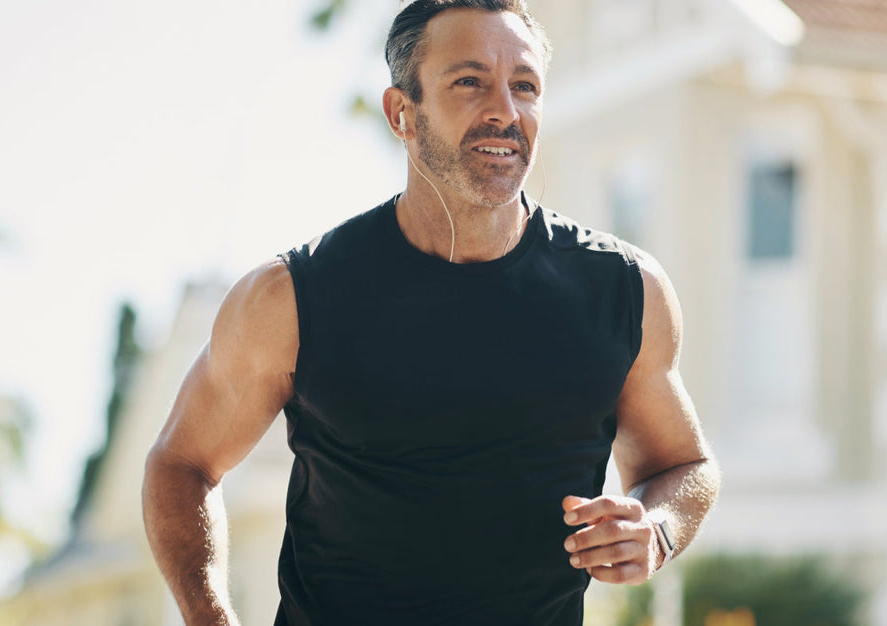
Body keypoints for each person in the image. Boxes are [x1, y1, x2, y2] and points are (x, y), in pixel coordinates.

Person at [142, 1, 720, 624]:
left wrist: (656, 529)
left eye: (524, 86)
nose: (505, 111)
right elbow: (182, 463)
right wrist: (210, 616)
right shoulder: (292, 297)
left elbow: (684, 465)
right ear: (402, 113)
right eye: (469, 82)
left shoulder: (624, 292)